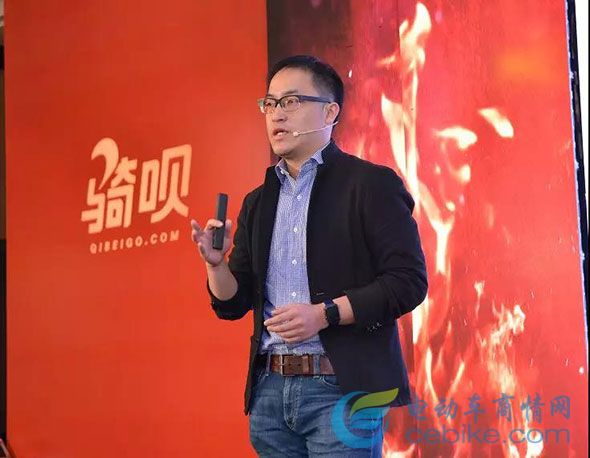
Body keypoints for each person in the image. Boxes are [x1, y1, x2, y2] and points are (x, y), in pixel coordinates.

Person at [191, 55, 427, 457]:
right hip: (269, 393)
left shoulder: (371, 184)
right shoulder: (258, 202)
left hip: (342, 392)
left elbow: (407, 282)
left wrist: (324, 314)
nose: (276, 115)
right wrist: (216, 265)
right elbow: (233, 302)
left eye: (291, 101)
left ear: (329, 112)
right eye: (270, 104)